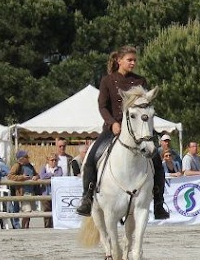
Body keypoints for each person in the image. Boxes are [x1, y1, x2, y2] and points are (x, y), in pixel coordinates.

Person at [75, 45, 169, 219]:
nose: (133, 63)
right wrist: (111, 123)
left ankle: (158, 202)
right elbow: (102, 105)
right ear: (119, 60)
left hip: (137, 128)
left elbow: (145, 106)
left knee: (156, 159)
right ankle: (87, 198)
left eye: (134, 60)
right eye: (129, 60)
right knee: (92, 156)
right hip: (113, 128)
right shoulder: (107, 80)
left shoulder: (141, 81)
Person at [8, 150, 40, 229]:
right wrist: (22, 177)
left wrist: (36, 177)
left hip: (31, 191)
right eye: (26, 157)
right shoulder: (17, 165)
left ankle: (26, 227)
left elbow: (37, 174)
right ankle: (23, 229)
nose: (28, 158)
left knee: (29, 212)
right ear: (21, 158)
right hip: (23, 192)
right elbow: (10, 176)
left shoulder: (30, 166)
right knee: (27, 211)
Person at [39, 155, 64, 227]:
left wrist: (48, 175)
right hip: (45, 192)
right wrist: (51, 174)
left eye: (55, 160)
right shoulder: (44, 168)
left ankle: (55, 225)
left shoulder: (59, 168)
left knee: (55, 210)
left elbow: (59, 175)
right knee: (47, 209)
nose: (54, 162)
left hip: (55, 193)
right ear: (48, 160)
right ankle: (47, 226)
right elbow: (42, 176)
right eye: (52, 160)